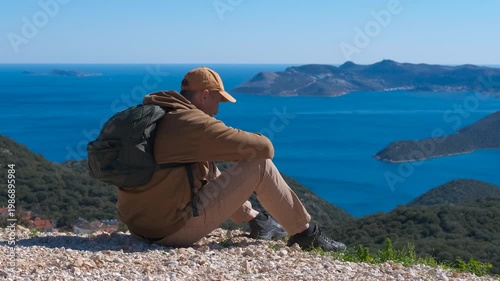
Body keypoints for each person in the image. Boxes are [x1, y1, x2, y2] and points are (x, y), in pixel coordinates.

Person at [117, 66, 346, 252]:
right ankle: (306, 234)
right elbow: (265, 148)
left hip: (138, 226)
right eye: (217, 101)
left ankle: (255, 218)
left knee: (204, 163)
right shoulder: (192, 123)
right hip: (169, 232)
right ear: (205, 95)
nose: (217, 110)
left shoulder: (155, 114)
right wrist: (237, 136)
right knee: (259, 165)